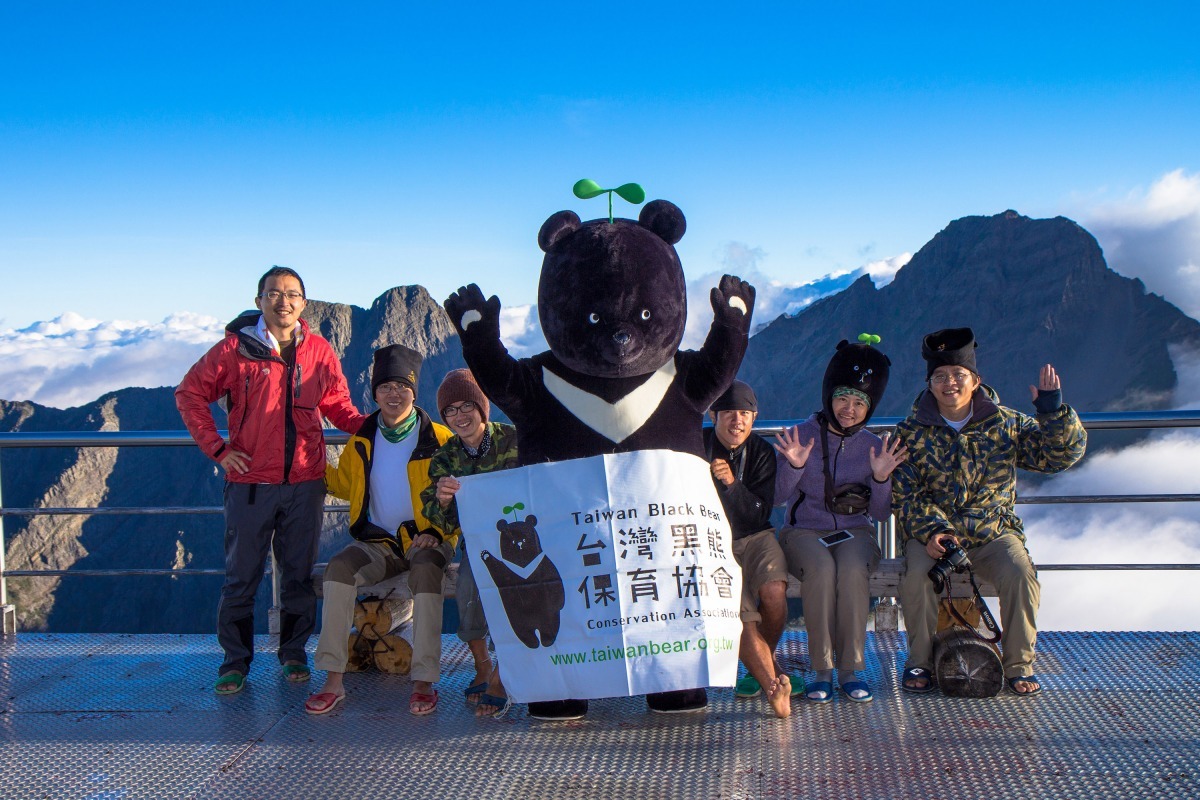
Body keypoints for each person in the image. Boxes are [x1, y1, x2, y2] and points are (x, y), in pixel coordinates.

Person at [175, 266, 365, 695]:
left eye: (292, 294)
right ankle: (235, 662)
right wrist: (219, 450)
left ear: (304, 303)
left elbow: (338, 407)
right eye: (274, 293)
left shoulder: (318, 351)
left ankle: (293, 654)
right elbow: (188, 393)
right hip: (250, 483)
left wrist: (387, 427)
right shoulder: (234, 350)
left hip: (306, 481)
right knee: (242, 576)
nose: (284, 301)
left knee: (297, 574)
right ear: (259, 299)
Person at [893, 328, 1086, 696]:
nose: (950, 383)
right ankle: (918, 661)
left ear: (975, 381)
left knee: (1020, 575)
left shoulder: (1005, 423)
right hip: (933, 536)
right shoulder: (911, 433)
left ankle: (1018, 664)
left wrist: (1052, 412)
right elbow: (907, 493)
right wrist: (933, 532)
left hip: (993, 532)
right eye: (940, 376)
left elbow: (1059, 456)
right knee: (916, 577)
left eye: (958, 375)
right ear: (930, 384)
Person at [304, 345, 453, 716]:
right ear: (374, 393)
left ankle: (423, 680)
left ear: (414, 392)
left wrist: (437, 533)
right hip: (379, 543)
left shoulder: (439, 439)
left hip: (428, 540)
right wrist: (309, 453)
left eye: (402, 386)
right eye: (385, 386)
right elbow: (343, 485)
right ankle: (333, 679)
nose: (394, 393)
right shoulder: (362, 440)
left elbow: (460, 496)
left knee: (426, 571)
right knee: (338, 569)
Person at [773, 337, 906, 703]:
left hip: (855, 532)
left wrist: (881, 479)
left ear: (870, 407)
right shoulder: (800, 436)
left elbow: (879, 514)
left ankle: (850, 669)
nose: (849, 409)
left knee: (850, 572)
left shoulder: (872, 446)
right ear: (828, 396)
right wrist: (795, 466)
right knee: (820, 570)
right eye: (842, 398)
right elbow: (778, 497)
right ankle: (822, 670)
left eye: (859, 402)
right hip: (802, 531)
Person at [420, 369, 519, 718]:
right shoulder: (445, 458)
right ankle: (482, 664)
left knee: (516, 595)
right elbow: (438, 517)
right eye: (450, 411)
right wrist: (443, 501)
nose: (460, 416)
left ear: (482, 408)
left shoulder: (513, 441)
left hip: (525, 544)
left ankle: (503, 674)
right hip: (477, 545)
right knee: (467, 590)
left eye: (467, 406)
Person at [704, 380, 796, 718]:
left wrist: (730, 484)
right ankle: (772, 686)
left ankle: (760, 667)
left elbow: (759, 511)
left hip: (757, 534)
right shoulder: (696, 446)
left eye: (744, 413)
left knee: (774, 591)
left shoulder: (761, 453)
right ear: (713, 415)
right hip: (712, 540)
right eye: (728, 413)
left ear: (754, 418)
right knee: (741, 614)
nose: (736, 421)